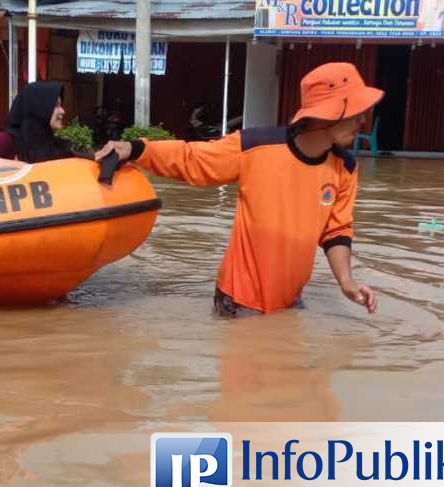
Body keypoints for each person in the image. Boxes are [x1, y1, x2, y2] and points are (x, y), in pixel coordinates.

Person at [96, 62, 381, 317]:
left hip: (290, 300)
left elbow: (337, 230)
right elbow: (192, 158)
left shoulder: (345, 167)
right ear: (326, 115)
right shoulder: (255, 146)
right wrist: (134, 148)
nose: (362, 120)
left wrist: (347, 282)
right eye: (355, 112)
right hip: (240, 301)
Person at [0, 81, 72, 169]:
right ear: (39, 108)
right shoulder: (9, 138)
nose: (63, 111)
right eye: (56, 106)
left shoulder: (53, 143)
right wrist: (21, 167)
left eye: (61, 105)